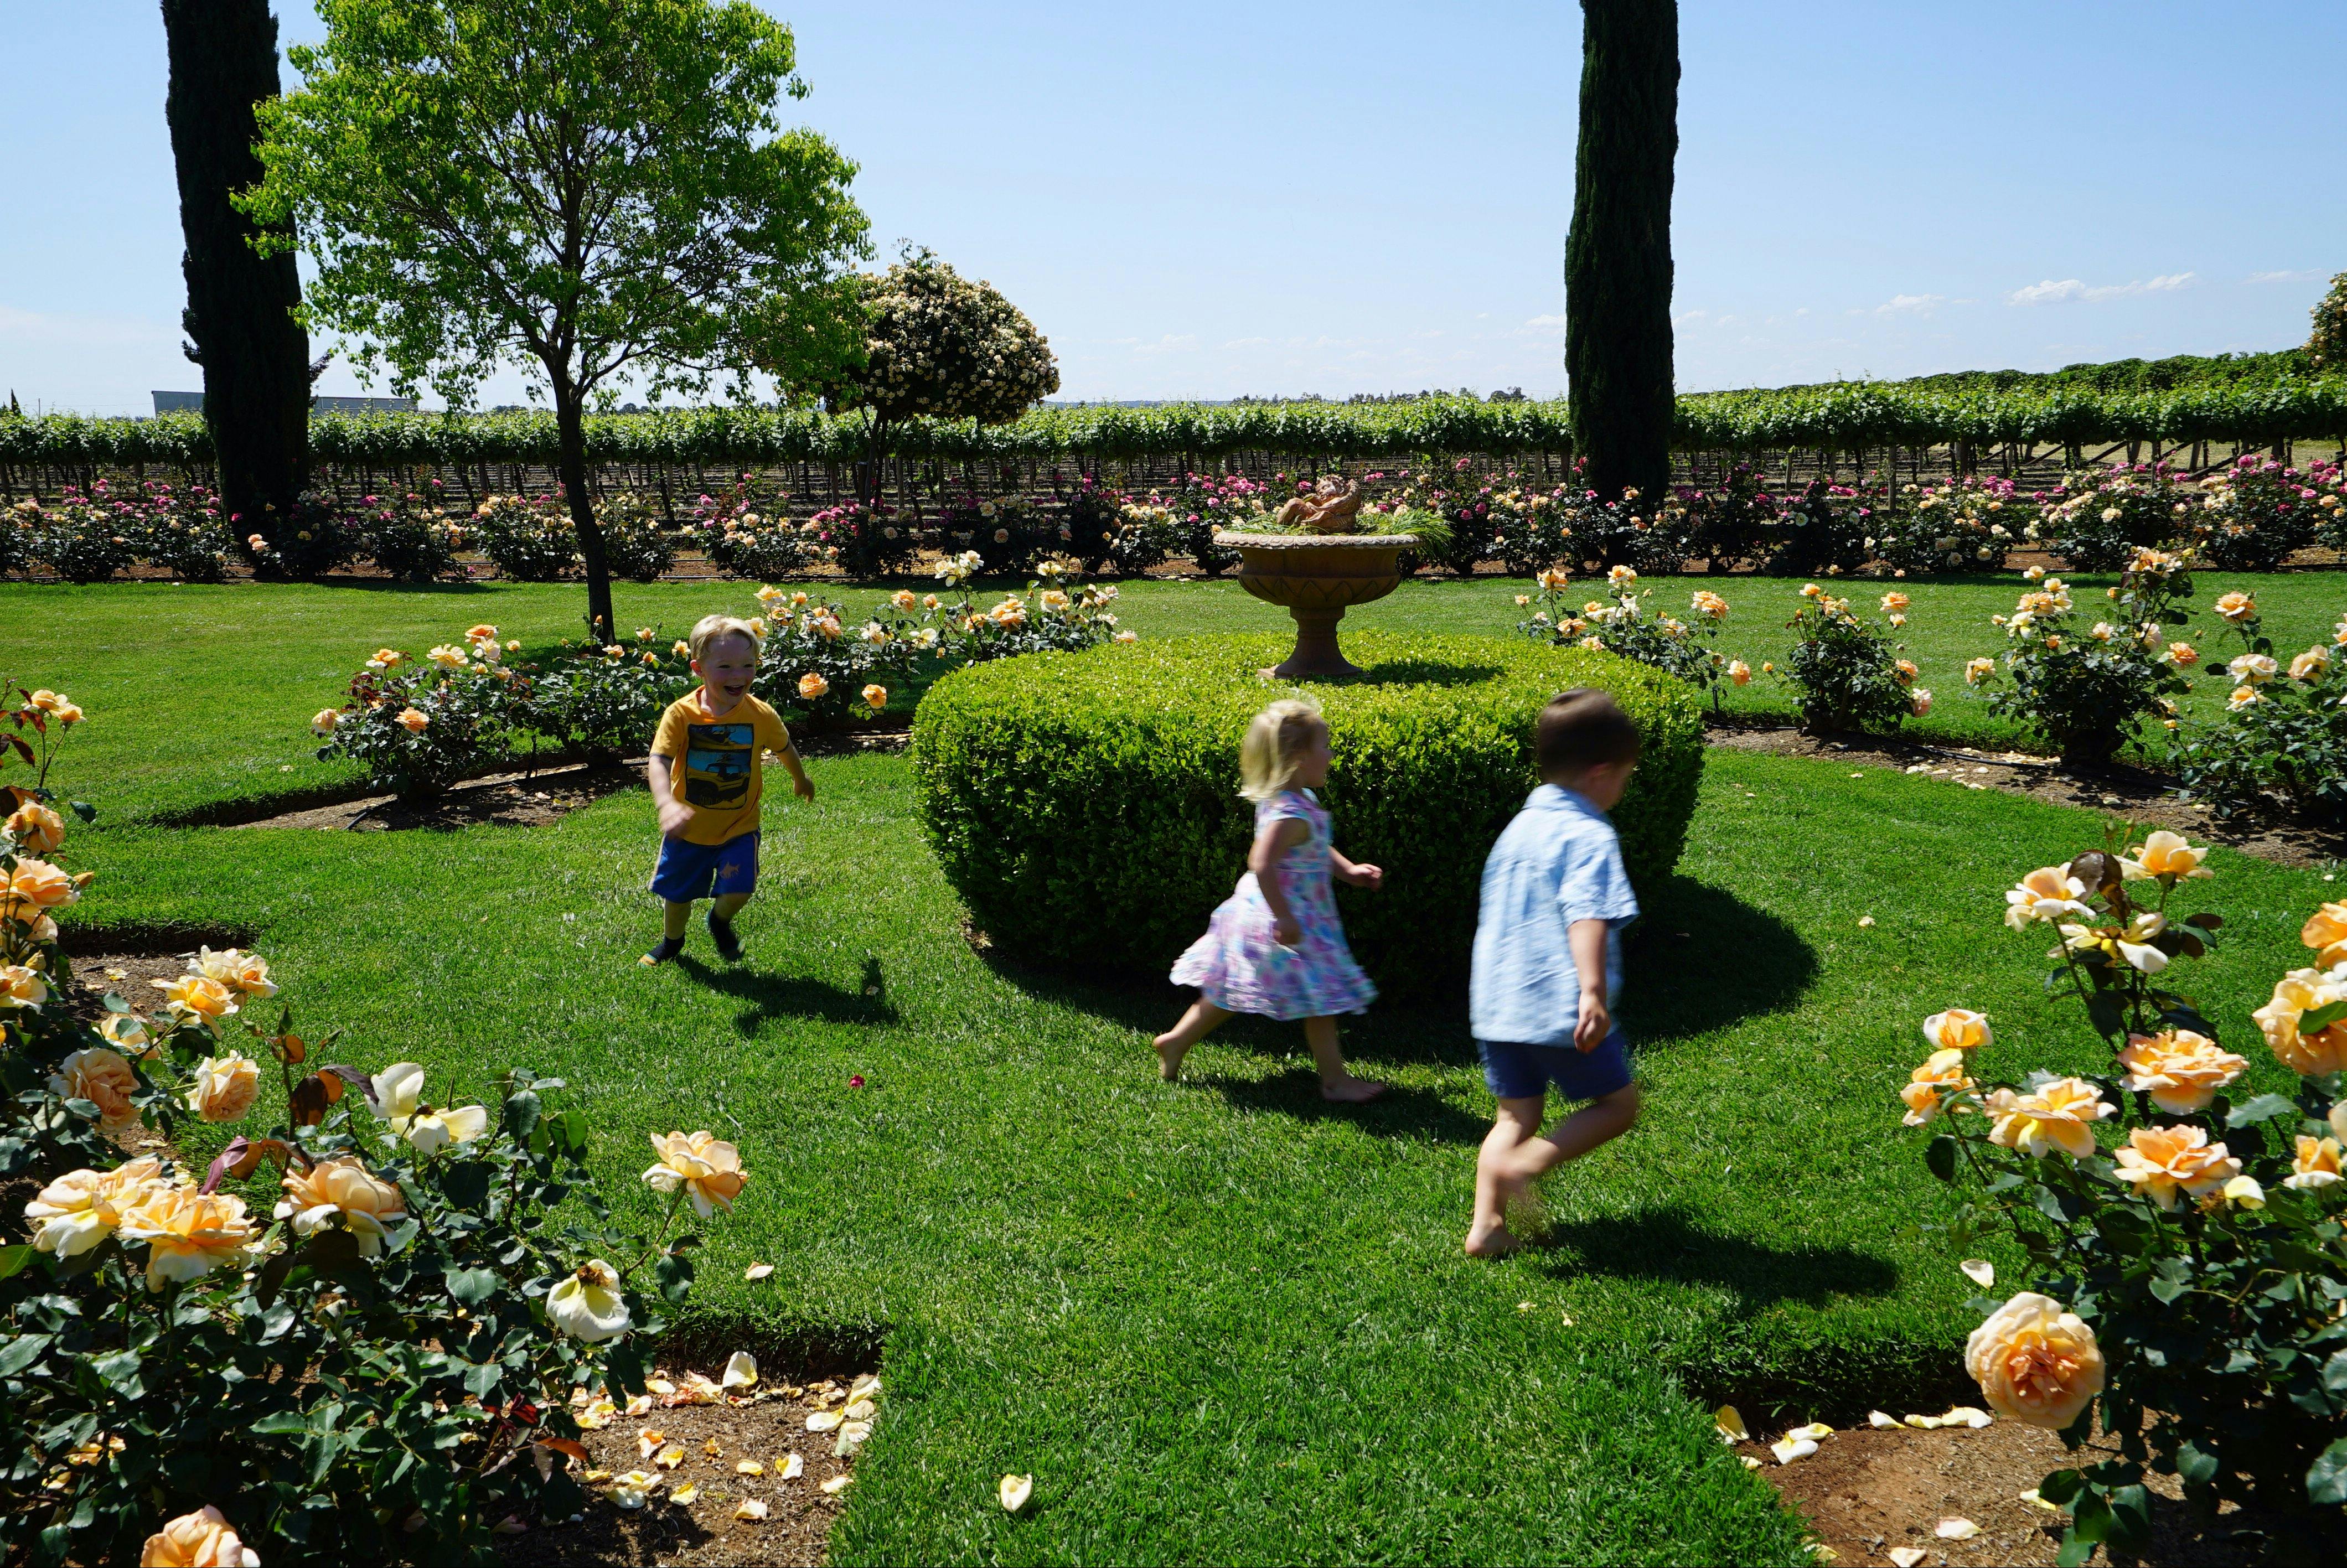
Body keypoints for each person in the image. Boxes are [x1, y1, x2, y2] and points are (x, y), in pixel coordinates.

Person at [1464, 688, 1644, 1257]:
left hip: (1496, 1006)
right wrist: (1591, 990)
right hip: (1557, 1004)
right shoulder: (1588, 834)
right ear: (1599, 773)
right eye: (1625, 775)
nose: (1624, 787)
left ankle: (1487, 1226)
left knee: (1514, 1114)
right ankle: (1527, 1165)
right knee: (1618, 1106)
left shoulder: (1518, 830)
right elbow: (1585, 912)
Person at [1154, 696, 1387, 1103]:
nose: (1332, 755)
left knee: (1229, 990)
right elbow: (1261, 861)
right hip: (1284, 919)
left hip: (1277, 914)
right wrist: (1285, 917)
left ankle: (1176, 1040)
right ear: (1298, 757)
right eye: (1325, 746)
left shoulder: (1293, 801)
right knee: (1320, 1000)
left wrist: (1347, 870)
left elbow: (1314, 848)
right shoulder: (1290, 812)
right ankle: (1334, 1082)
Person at [641, 614, 813, 967]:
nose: (739, 676)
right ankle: (672, 942)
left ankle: (719, 921)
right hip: (688, 830)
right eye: (725, 666)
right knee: (678, 897)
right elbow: (658, 760)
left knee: (739, 889)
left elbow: (784, 748)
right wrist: (665, 805)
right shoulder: (681, 714)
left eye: (747, 665)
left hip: (740, 827)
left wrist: (800, 777)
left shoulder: (761, 715)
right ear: (698, 669)